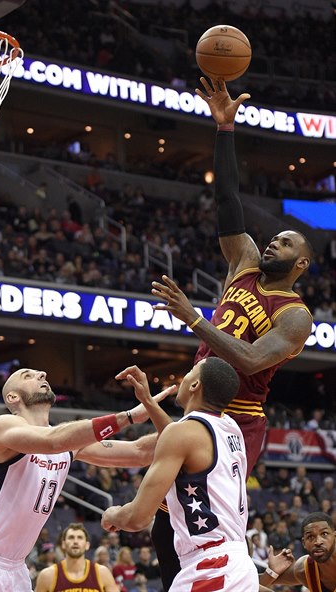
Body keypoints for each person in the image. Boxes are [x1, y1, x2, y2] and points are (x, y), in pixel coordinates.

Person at [150, 78, 313, 591]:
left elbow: (247, 361)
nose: (271, 242)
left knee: (206, 523)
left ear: (301, 264)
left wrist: (196, 320)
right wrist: (224, 129)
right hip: (199, 407)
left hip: (240, 420)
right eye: (271, 237)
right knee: (167, 520)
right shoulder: (242, 262)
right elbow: (227, 201)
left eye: (284, 242)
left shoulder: (294, 315)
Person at [0, 367, 176, 592]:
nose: (42, 373)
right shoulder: (1, 426)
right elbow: (53, 440)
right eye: (28, 375)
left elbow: (139, 453)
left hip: (16, 569)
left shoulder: (69, 444)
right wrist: (129, 416)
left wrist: (193, 424)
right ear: (12, 397)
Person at [103, 358, 260, 590]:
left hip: (211, 567)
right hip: (237, 564)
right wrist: (147, 401)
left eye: (189, 372)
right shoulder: (229, 426)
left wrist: (113, 515)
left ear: (195, 385)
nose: (184, 377)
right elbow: (178, 438)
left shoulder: (184, 433)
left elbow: (138, 518)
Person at [260, 512, 336, 590]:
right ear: (304, 543)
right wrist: (272, 572)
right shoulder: (304, 569)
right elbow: (251, 585)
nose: (318, 542)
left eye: (324, 534)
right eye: (310, 537)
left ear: (335, 537)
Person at [35, 523, 118, 592]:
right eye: (71, 537)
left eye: (80, 538)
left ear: (87, 545)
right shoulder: (47, 576)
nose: (75, 541)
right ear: (63, 544)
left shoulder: (102, 573)